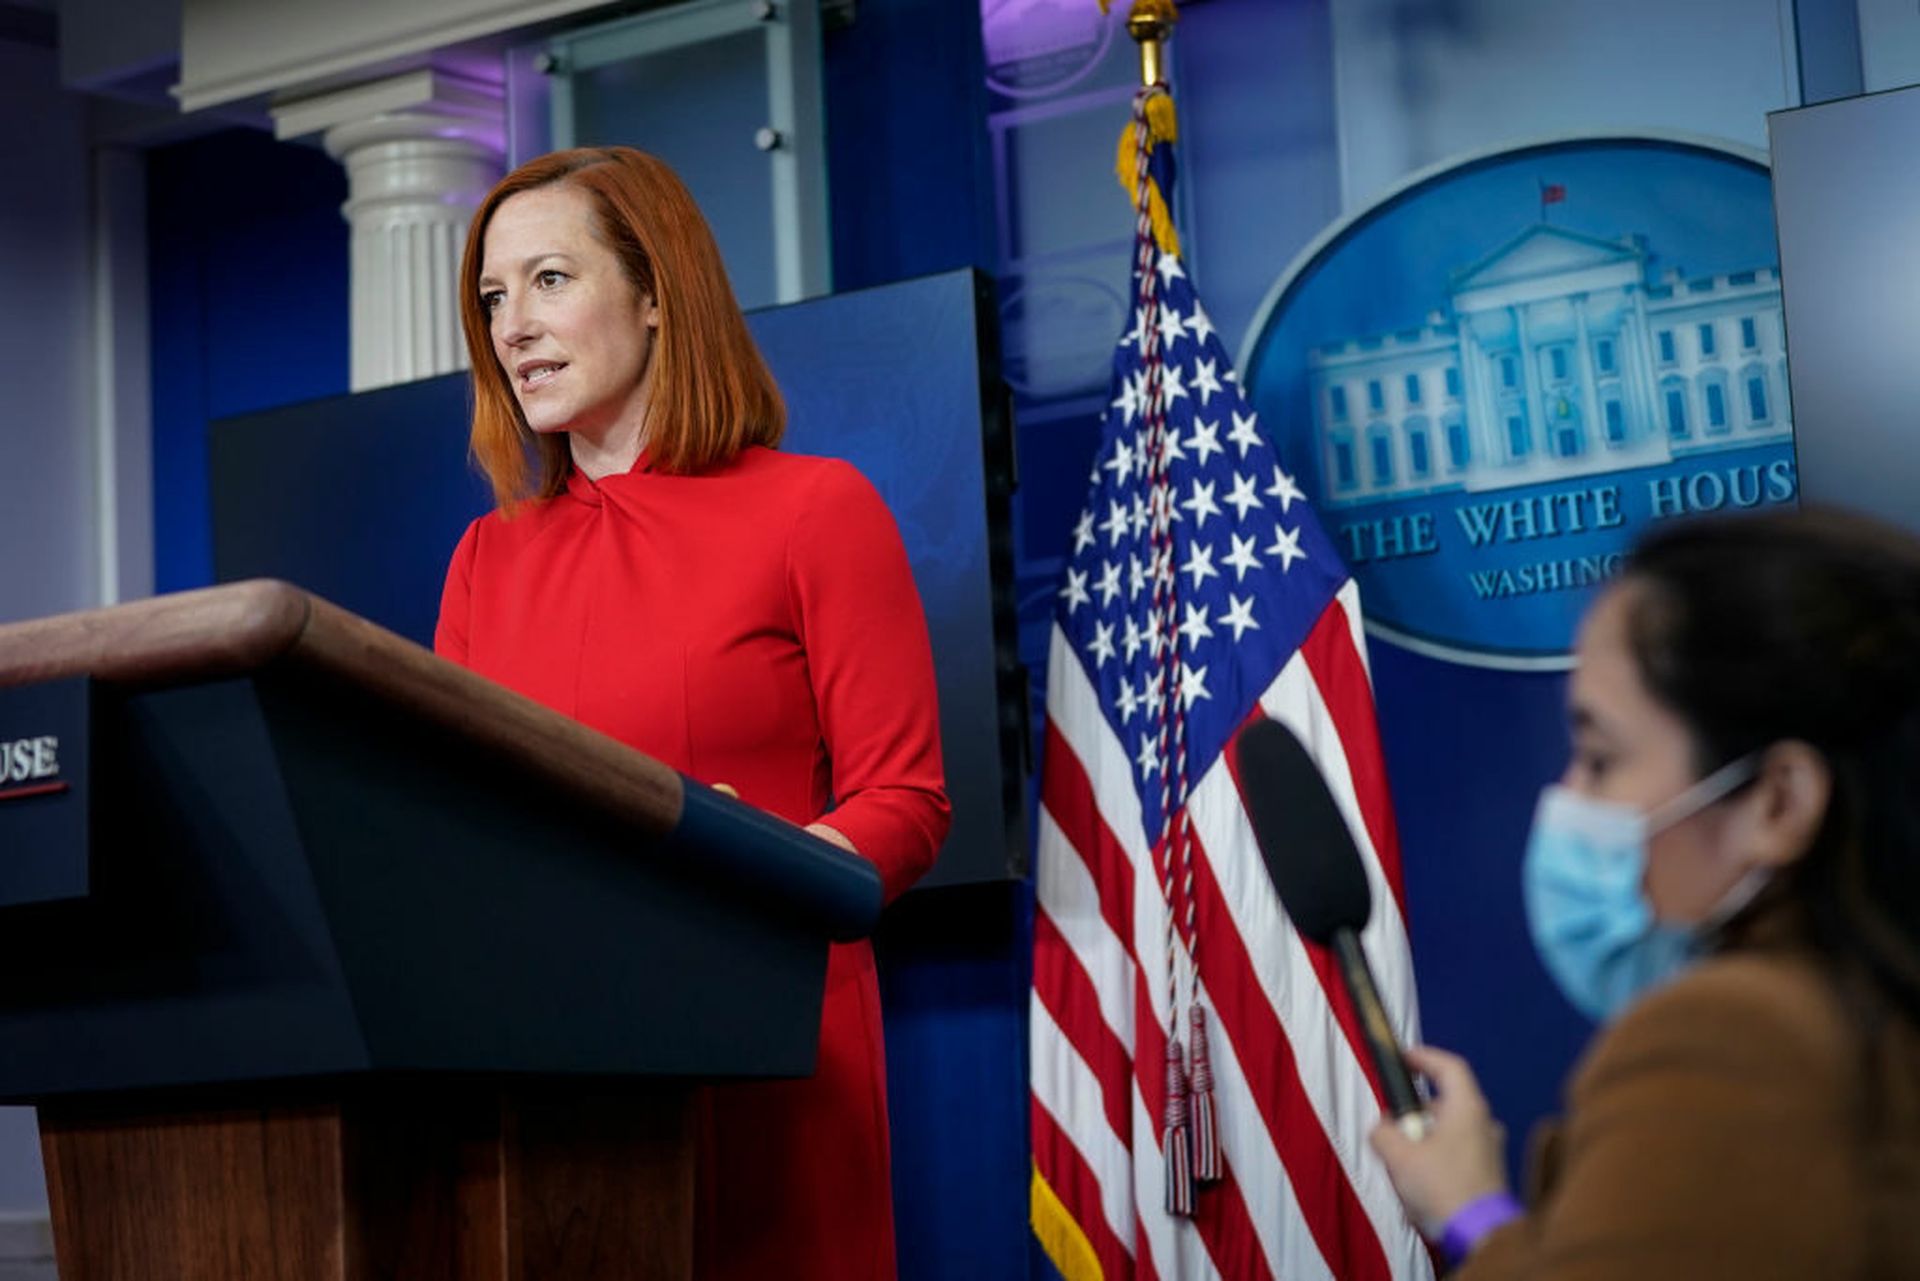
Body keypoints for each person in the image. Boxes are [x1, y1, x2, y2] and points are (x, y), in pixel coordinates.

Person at [433, 146, 951, 1281]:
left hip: (768, 1039)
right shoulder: (485, 559)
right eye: (491, 297)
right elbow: (453, 833)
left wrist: (741, 882)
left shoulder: (816, 509)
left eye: (551, 279)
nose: (512, 325)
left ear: (657, 292)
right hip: (555, 1061)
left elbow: (906, 803)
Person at [1371, 508, 1920, 1278]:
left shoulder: (1730, 1038)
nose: (1567, 795)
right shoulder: (1870, 1010)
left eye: (1600, 757)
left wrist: (1474, 1217)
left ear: (1779, 802)